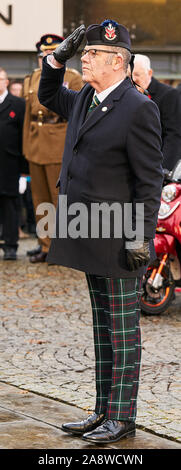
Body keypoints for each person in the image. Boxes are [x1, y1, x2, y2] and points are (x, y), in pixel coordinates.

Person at [38, 20, 163, 444]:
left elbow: (149, 183)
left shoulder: (138, 107)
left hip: (118, 236)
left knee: (124, 330)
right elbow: (49, 94)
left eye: (91, 54)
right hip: (88, 229)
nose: (84, 59)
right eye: (83, 53)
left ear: (117, 60)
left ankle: (122, 417)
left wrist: (140, 238)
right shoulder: (89, 96)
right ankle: (102, 411)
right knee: (103, 326)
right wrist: (56, 58)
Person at [23, 33, 84, 263]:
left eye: (51, 53)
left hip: (58, 143)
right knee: (40, 199)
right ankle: (46, 245)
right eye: (44, 55)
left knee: (61, 200)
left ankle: (64, 247)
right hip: (36, 146)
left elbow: (76, 114)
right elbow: (28, 118)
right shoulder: (33, 77)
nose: (46, 58)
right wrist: (26, 147)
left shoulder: (73, 77)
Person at [132, 54, 181, 171]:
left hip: (156, 165)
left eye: (137, 75)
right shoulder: (126, 94)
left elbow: (173, 135)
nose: (133, 79)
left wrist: (163, 169)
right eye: (129, 75)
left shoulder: (169, 95)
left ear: (149, 73)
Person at [0, 67, 25, 260]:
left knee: (9, 205)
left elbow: (24, 138)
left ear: (6, 82)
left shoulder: (17, 104)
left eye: (1, 79)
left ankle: (10, 245)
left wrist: (24, 173)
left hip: (9, 163)